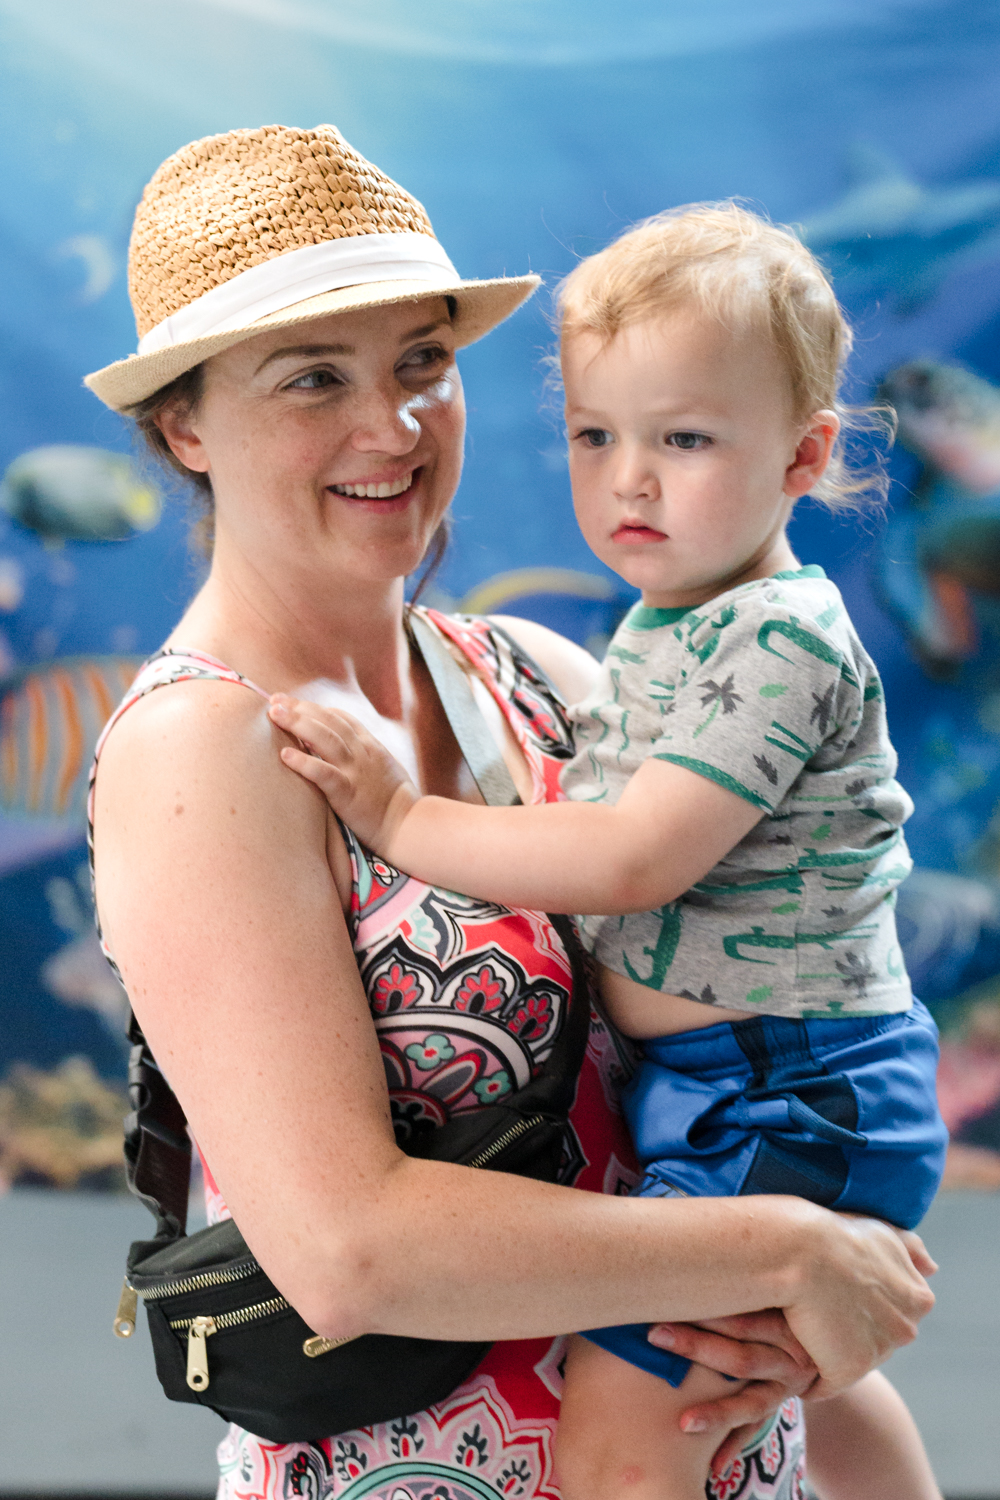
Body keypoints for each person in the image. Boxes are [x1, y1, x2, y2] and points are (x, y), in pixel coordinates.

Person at [86, 130, 936, 1500]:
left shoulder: (541, 678)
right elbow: (348, 1251)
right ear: (185, 426)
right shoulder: (205, 748)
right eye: (315, 378)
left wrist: (822, 1283)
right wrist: (793, 1252)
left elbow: (742, 1071)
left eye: (423, 362)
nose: (395, 427)